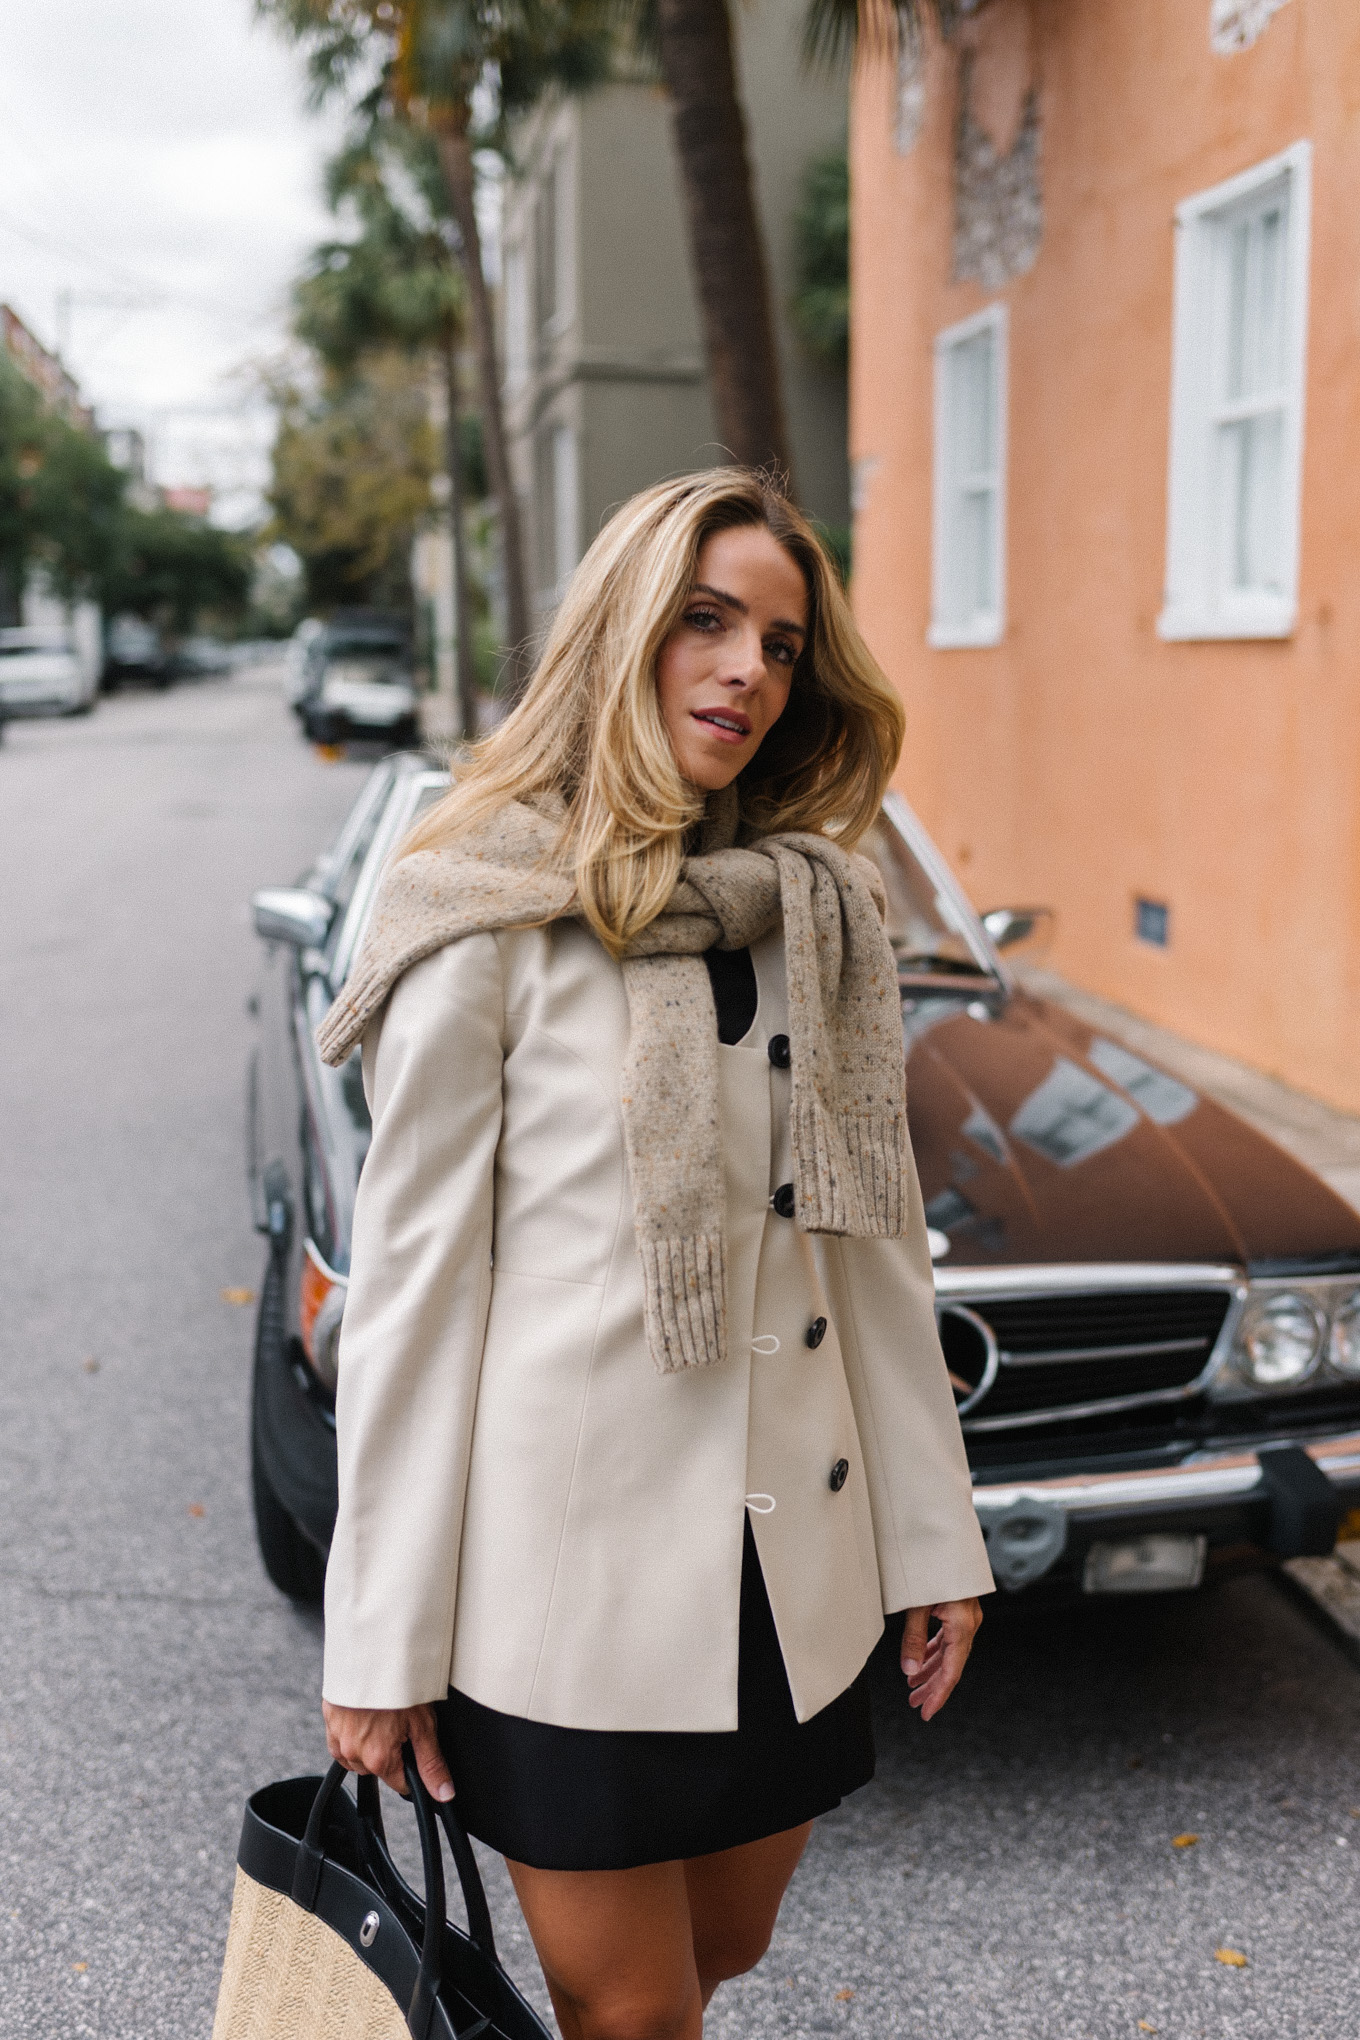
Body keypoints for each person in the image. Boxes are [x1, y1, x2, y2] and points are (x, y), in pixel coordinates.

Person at [316, 467, 993, 2040]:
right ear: (623, 631)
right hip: (568, 1599)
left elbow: (872, 1252)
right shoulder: (480, 914)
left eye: (779, 639)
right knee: (631, 2015)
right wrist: (381, 1640)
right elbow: (417, 1297)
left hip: (793, 1578)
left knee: (721, 1957)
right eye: (706, 621)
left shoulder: (816, 910)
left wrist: (933, 1533)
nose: (750, 667)